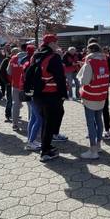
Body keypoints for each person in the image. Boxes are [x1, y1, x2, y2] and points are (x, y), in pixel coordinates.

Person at [25, 34, 67, 162]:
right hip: (51, 94)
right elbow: (60, 78)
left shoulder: (36, 55)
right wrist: (63, 95)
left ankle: (47, 145)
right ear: (50, 44)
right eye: (55, 43)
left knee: (46, 121)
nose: (57, 45)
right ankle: (45, 152)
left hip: (38, 95)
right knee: (49, 123)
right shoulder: (53, 57)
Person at [77, 43, 110, 159]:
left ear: (90, 51)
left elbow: (85, 81)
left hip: (90, 97)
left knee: (90, 124)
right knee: (99, 121)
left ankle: (93, 151)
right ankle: (99, 145)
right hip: (101, 96)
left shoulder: (89, 63)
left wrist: (80, 77)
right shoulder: (104, 61)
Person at [21, 45, 42, 150]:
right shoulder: (32, 66)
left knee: (33, 118)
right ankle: (31, 142)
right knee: (40, 118)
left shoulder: (26, 63)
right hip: (32, 94)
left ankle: (30, 140)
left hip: (28, 93)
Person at [7, 46, 26, 130]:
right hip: (26, 86)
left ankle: (14, 124)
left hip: (15, 85)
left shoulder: (13, 58)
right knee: (31, 106)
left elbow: (9, 72)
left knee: (15, 104)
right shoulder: (29, 57)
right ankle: (32, 125)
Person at [0, 48, 13, 123]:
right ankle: (8, 115)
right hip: (10, 84)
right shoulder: (6, 60)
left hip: (16, 84)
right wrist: (6, 82)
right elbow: (1, 72)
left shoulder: (19, 60)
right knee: (9, 100)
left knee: (16, 101)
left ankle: (14, 113)